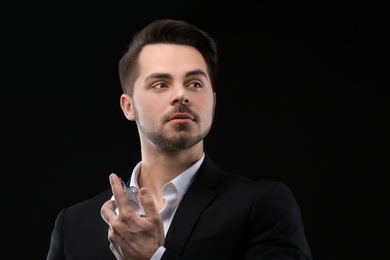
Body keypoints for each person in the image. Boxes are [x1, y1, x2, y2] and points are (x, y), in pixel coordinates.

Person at [47, 18, 313, 260]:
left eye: (195, 83)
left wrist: (153, 257)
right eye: (160, 84)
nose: (181, 95)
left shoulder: (261, 205)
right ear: (128, 107)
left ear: (213, 102)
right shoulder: (73, 224)